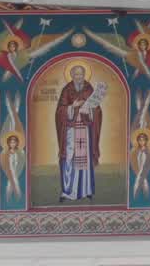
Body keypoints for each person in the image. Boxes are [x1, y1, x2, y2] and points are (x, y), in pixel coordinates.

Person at [55, 64, 103, 202]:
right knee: (70, 158)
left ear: (84, 75)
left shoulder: (89, 89)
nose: (79, 77)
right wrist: (72, 107)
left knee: (85, 160)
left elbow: (98, 110)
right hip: (71, 130)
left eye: (81, 74)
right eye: (76, 74)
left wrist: (91, 111)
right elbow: (59, 111)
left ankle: (86, 190)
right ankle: (67, 191)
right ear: (72, 76)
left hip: (85, 130)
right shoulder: (67, 90)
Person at [0, 134, 25, 201]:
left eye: (14, 142)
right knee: (11, 185)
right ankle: (9, 198)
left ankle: (17, 198)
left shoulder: (19, 152)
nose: (12, 144)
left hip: (16, 171)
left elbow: (21, 162)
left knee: (14, 184)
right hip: (9, 171)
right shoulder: (6, 152)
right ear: (8, 143)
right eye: (11, 142)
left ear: (17, 143)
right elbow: (4, 163)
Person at [131, 132, 150, 198]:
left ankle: (145, 197)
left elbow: (149, 162)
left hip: (144, 171)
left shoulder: (149, 151)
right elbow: (134, 161)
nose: (141, 142)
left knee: (142, 184)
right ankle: (137, 197)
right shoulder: (136, 151)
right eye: (140, 140)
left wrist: (144, 172)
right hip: (138, 170)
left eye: (143, 140)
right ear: (138, 141)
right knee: (137, 184)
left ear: (146, 141)